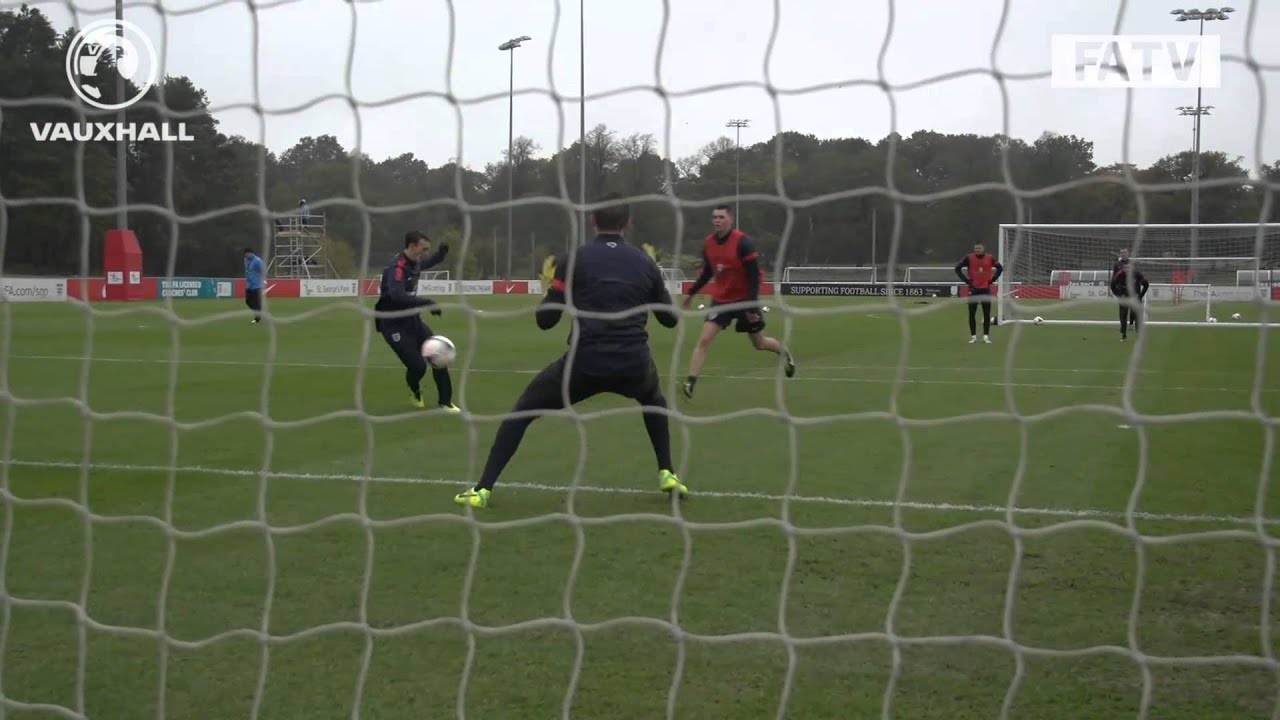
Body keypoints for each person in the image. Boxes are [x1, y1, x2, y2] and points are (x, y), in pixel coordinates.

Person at [454, 194, 682, 509]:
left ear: (592, 221)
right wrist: (654, 287)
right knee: (654, 400)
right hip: (634, 363)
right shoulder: (645, 263)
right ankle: (667, 472)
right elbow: (670, 320)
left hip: (584, 364)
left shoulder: (573, 259)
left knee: (521, 413)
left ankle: (482, 490)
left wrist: (555, 288)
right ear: (628, 224)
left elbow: (545, 321)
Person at [680, 205, 795, 399]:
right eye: (714, 217)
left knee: (759, 344)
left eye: (721, 217)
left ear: (730, 220)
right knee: (704, 339)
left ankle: (785, 353)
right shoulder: (709, 243)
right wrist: (691, 293)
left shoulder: (743, 243)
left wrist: (750, 306)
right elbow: (707, 273)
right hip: (721, 301)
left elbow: (754, 277)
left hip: (744, 301)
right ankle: (690, 381)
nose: (717, 220)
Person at [374, 231, 458, 411]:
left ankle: (445, 402)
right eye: (423, 249)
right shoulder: (396, 267)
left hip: (413, 321)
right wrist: (427, 302)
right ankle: (414, 390)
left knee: (439, 356)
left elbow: (429, 262)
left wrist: (441, 254)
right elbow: (397, 296)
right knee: (418, 367)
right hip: (393, 324)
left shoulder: (415, 262)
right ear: (412, 246)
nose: (425, 253)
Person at [954, 242, 1003, 344]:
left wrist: (993, 279)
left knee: (986, 313)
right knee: (972, 313)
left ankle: (986, 337)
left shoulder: (990, 258)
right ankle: (973, 337)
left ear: (983, 248)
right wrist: (967, 281)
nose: (977, 250)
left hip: (985, 289)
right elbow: (957, 268)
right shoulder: (969, 258)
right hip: (973, 289)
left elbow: (1000, 268)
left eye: (979, 248)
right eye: (976, 248)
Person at [1109, 257, 1149, 341]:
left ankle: (1138, 332)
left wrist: (1140, 296)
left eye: (1129, 267)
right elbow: (1112, 285)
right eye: (1125, 268)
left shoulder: (1138, 274)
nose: (1127, 269)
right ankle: (1123, 335)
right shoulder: (1120, 274)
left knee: (1137, 315)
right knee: (1123, 315)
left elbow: (1146, 284)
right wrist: (1118, 295)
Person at [1112, 248, 1137, 330]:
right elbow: (1114, 279)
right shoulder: (1117, 265)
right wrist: (1116, 292)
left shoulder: (1133, 263)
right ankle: (1123, 326)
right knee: (1122, 310)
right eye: (1121, 253)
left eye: (1124, 252)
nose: (1123, 254)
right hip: (1121, 291)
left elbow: (1137, 277)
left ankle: (1131, 324)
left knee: (1133, 309)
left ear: (1128, 253)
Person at [243, 248, 264, 324]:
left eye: (247, 254)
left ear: (251, 253)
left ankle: (257, 318)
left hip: (257, 285)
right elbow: (247, 270)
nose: (246, 256)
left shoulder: (258, 261)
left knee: (256, 301)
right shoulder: (245, 260)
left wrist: (262, 279)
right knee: (248, 301)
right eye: (245, 255)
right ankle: (259, 312)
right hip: (249, 284)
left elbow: (263, 270)